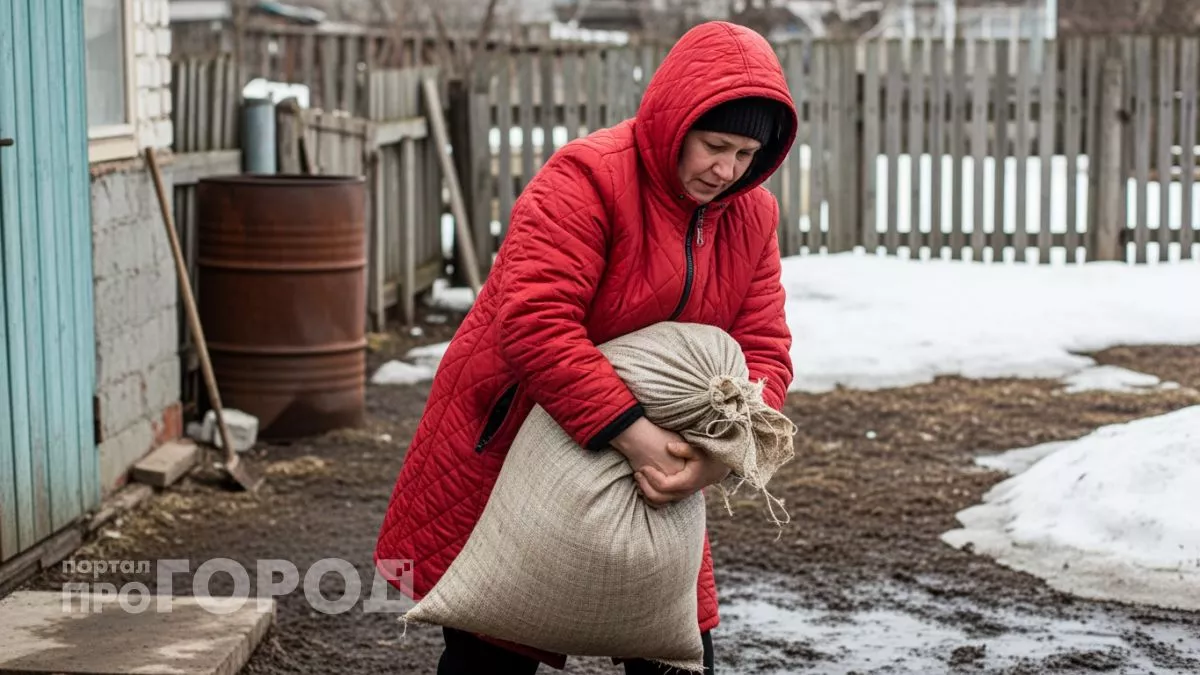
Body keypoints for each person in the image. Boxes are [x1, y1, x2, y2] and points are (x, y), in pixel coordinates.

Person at [375, 19, 798, 674]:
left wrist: (723, 454)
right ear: (675, 120)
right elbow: (535, 320)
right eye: (715, 145)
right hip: (520, 437)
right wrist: (634, 433)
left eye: (746, 155)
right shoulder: (587, 179)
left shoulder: (752, 216)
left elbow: (764, 344)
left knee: (675, 651)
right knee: (494, 646)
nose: (727, 170)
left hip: (664, 466)